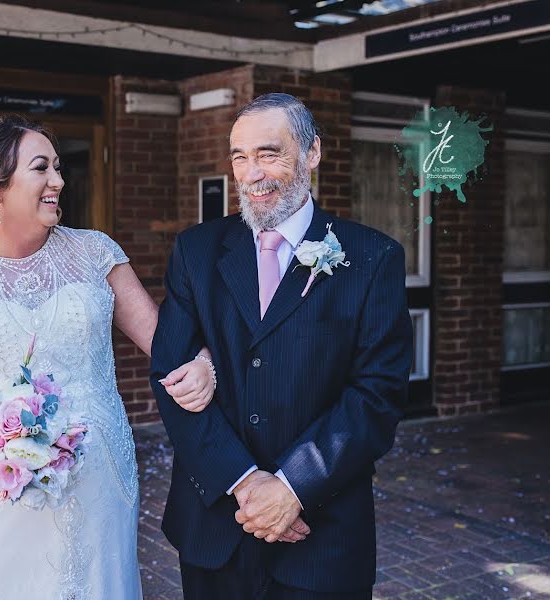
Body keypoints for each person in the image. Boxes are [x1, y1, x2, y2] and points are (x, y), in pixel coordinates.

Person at [0, 102, 216, 599]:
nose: (58, 179)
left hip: (101, 475)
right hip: (7, 486)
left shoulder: (95, 253)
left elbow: (164, 342)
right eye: (41, 168)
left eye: (57, 166)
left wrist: (204, 362)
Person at [151, 93, 413, 599]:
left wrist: (293, 487)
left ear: (312, 153)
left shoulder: (373, 257)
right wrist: (247, 484)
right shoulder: (196, 251)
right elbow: (171, 373)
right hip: (215, 527)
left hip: (323, 534)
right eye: (239, 157)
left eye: (268, 154)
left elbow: (377, 394)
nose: (251, 173)